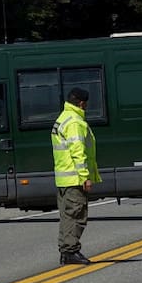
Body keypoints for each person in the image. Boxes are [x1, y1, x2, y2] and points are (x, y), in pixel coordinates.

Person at [51, 87, 100, 265]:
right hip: (74, 178)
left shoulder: (63, 118)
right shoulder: (74, 122)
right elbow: (78, 152)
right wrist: (85, 176)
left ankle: (66, 251)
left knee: (67, 216)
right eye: (86, 103)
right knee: (76, 215)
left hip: (64, 178)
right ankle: (70, 251)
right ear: (81, 103)